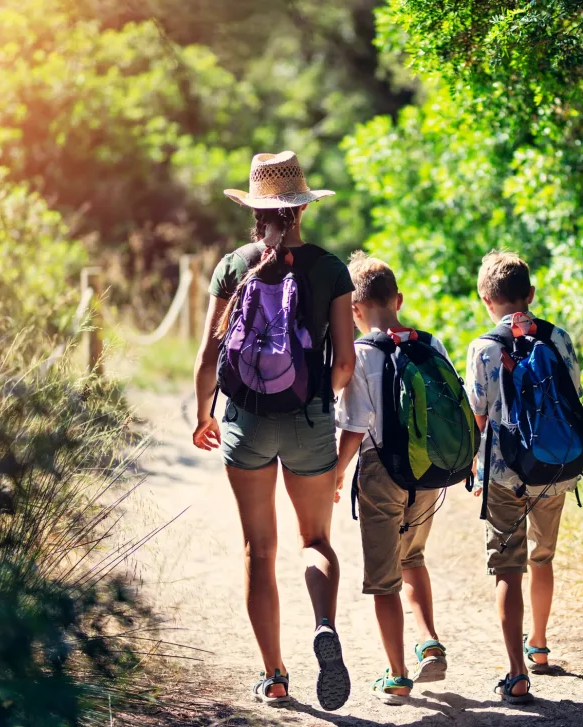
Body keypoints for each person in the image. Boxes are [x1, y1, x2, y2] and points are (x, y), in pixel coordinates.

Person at [191, 151, 355, 711]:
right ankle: (325, 625)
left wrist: (203, 416)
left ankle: (276, 676)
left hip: (246, 423)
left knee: (259, 551)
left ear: (255, 210)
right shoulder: (332, 269)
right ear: (302, 208)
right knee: (316, 541)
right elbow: (345, 366)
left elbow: (207, 357)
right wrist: (316, 404)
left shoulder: (232, 265)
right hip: (308, 421)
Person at [333, 253, 457, 704]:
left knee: (384, 579)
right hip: (428, 475)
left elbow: (354, 424)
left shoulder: (361, 354)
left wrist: (338, 472)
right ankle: (429, 641)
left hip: (381, 473)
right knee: (414, 557)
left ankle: (398, 674)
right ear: (398, 299)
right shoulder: (432, 344)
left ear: (354, 309)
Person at [465, 251, 583, 704]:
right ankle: (539, 644)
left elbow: (477, 416)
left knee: (507, 569)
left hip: (503, 474)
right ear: (529, 295)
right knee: (544, 557)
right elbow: (574, 398)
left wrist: (473, 467)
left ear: (485, 298)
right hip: (554, 468)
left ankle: (516, 673)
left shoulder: (483, 348)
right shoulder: (558, 339)